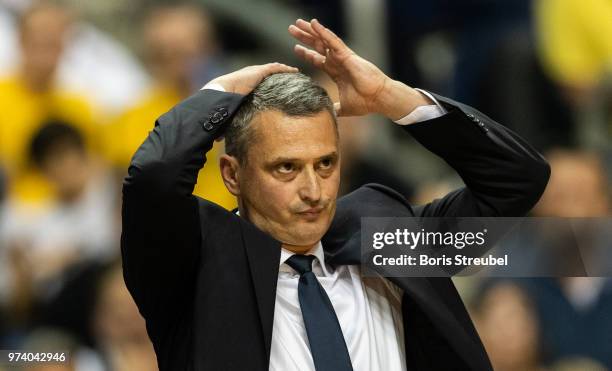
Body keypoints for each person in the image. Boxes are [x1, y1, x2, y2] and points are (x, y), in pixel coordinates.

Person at [121, 18, 550, 370]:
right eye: (286, 167)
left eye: (325, 164)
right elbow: (154, 177)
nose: (313, 191)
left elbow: (515, 179)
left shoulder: (385, 233)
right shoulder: (195, 261)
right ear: (232, 175)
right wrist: (220, 93)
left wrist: (389, 97)